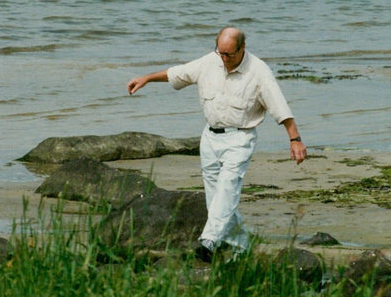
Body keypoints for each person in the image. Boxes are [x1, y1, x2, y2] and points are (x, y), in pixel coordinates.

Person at [127, 26, 307, 261]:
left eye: (229, 54)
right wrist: (147, 78)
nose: (223, 58)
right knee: (216, 199)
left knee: (228, 188)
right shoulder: (209, 62)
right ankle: (242, 246)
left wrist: (295, 139)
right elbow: (179, 73)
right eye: (220, 52)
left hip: (240, 138)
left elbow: (279, 106)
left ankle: (209, 240)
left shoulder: (259, 71)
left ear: (242, 49)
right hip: (210, 138)